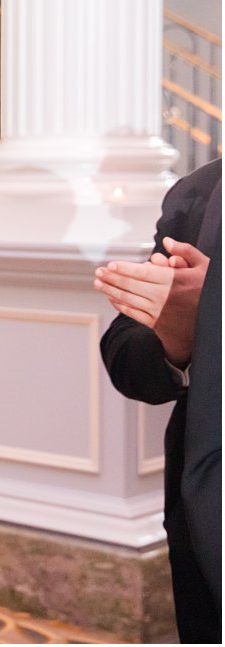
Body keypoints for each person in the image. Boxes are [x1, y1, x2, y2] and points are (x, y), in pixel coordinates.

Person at [97, 157, 220, 643]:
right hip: (204, 513)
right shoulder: (198, 192)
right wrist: (178, 337)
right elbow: (125, 356)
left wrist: (215, 311)